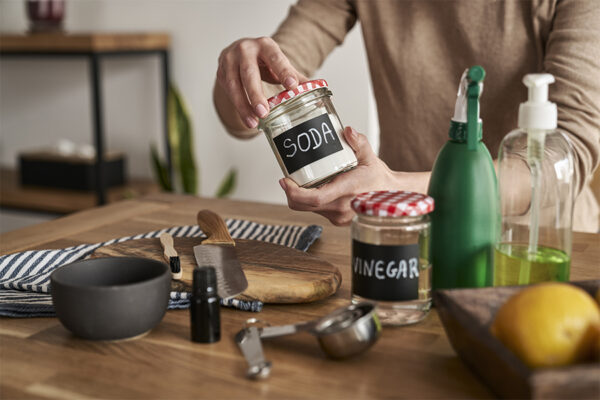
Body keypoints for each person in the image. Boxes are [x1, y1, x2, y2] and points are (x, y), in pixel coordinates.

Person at [213, 0, 600, 232]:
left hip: (538, 250)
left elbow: (567, 154)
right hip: (404, 239)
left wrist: (396, 188)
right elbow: (264, 95)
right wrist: (241, 76)